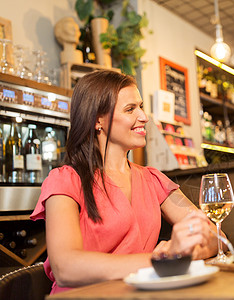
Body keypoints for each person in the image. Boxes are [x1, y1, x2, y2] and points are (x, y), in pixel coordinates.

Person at [30, 70, 218, 294]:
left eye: (140, 106)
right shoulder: (65, 180)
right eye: (130, 109)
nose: (144, 117)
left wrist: (185, 253)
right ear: (97, 120)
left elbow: (217, 235)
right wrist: (162, 260)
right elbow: (65, 267)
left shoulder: (153, 179)